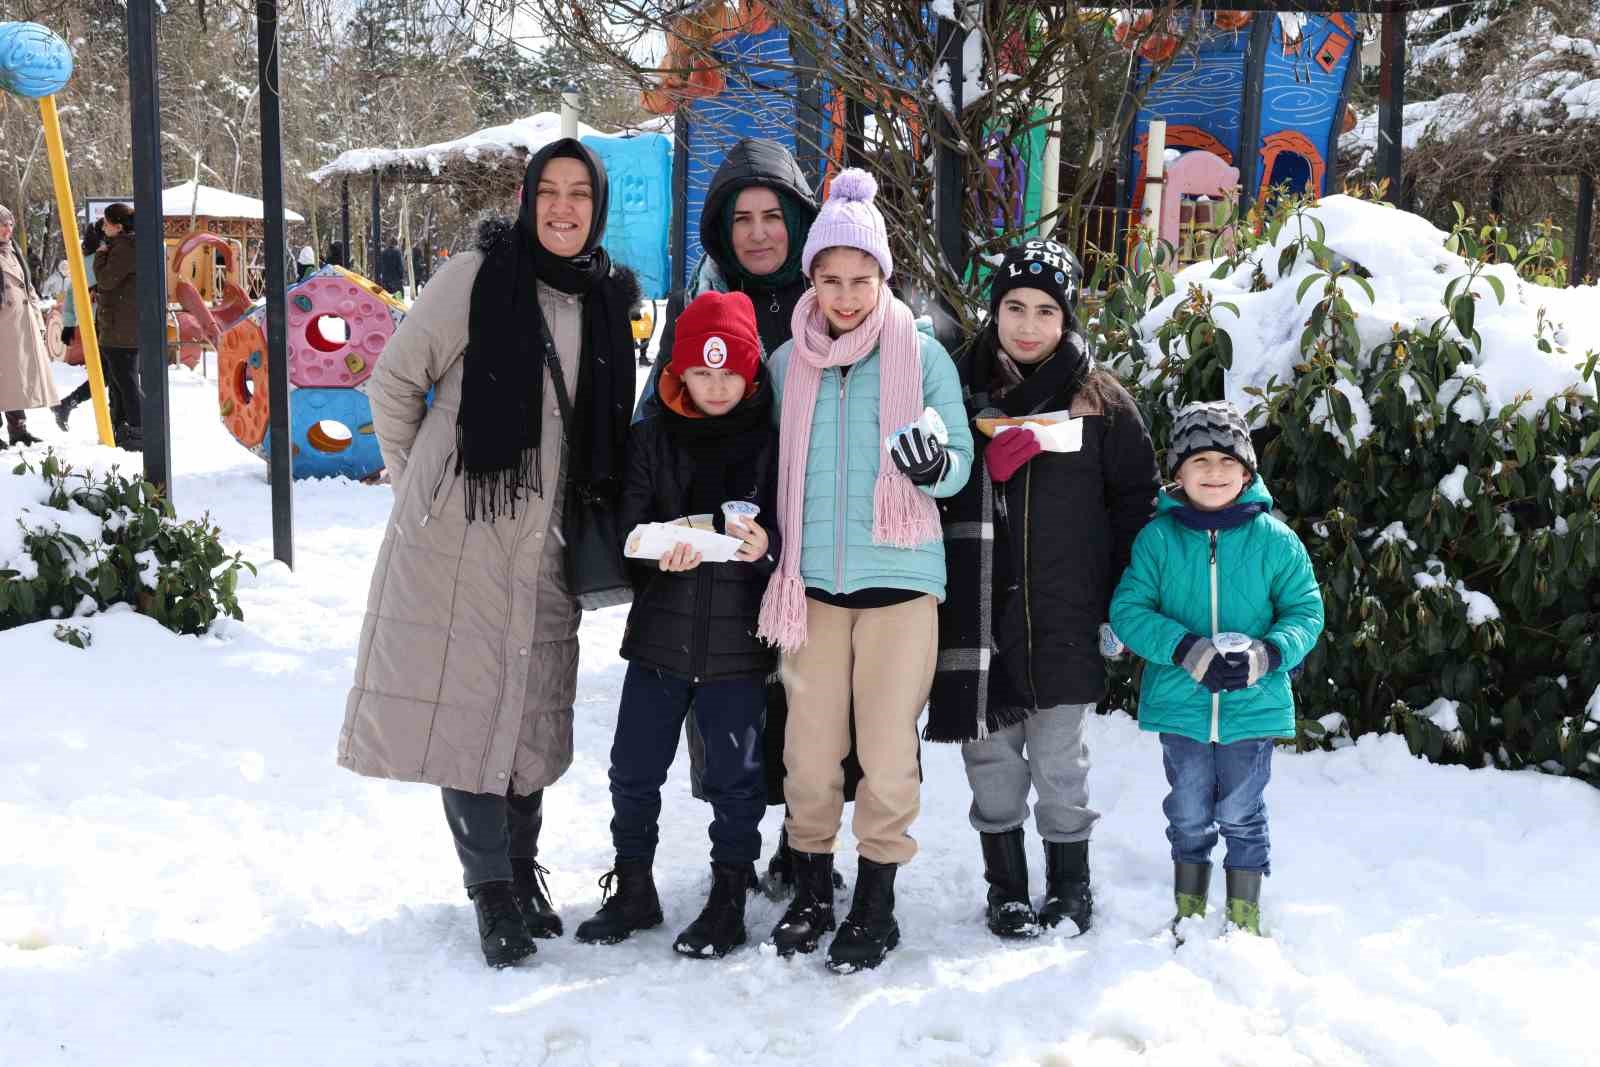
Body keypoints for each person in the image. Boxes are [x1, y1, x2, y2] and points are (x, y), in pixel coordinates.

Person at [339, 139, 639, 969]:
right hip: (460, 536)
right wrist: (425, 490)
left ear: (597, 207)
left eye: (580, 193)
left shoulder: (610, 298)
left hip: (549, 541)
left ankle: (518, 866)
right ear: (527, 197)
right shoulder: (476, 276)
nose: (563, 208)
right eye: (549, 190)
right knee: (470, 703)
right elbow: (394, 383)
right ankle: (491, 890)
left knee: (532, 701)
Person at [759, 169, 972, 973]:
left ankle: (877, 896)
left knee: (886, 750)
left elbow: (957, 461)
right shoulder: (786, 366)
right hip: (810, 587)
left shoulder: (922, 357)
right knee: (809, 754)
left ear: (885, 277)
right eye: (830, 278)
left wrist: (931, 465)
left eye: (862, 278)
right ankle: (814, 879)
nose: (846, 295)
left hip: (901, 582)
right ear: (810, 279)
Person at [925, 240, 1159, 940]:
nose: (1028, 325)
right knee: (991, 758)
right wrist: (976, 471)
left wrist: (1121, 601)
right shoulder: (958, 390)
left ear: (1069, 318)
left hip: (1065, 612)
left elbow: (1136, 506)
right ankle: (1006, 887)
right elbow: (918, 492)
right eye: (1014, 307)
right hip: (978, 614)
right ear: (994, 310)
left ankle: (1070, 884)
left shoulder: (1103, 400)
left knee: (1062, 760)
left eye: (1046, 311)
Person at [574, 290, 779, 959]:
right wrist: (658, 545)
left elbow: (786, 536)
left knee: (736, 777)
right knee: (632, 767)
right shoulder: (652, 436)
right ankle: (634, 884)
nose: (716, 386)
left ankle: (728, 896)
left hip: (738, 644)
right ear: (679, 374)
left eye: (729, 373)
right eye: (702, 372)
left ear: (749, 374)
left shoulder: (772, 441)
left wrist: (763, 548)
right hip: (660, 636)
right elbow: (630, 529)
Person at [1108, 401, 1324, 939]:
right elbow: (1129, 611)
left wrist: (1266, 655)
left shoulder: (1276, 541)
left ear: (1247, 473)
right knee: (1186, 808)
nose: (1214, 472)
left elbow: (1306, 611)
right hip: (1181, 705)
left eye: (1227, 462)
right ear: (1177, 473)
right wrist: (1185, 650)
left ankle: (1245, 914)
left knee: (1241, 809)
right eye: (1199, 460)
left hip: (1252, 708)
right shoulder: (1158, 540)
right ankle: (1189, 906)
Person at [0, 204, 60, 448]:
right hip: (4, 325)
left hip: (18, 325)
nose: (7, 229)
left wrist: (36, 316)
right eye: (3, 224)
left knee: (16, 378)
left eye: (10, 224)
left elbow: (28, 286)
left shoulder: (12, 250)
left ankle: (18, 429)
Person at [92, 204, 145, 450]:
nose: (103, 228)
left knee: (125, 381)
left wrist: (101, 253)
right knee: (119, 380)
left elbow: (106, 279)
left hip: (120, 328)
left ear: (118, 226)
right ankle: (124, 426)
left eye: (106, 223)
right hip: (122, 325)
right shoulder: (128, 245)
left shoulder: (124, 247)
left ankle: (138, 428)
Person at [50, 226, 102, 431]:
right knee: (110, 374)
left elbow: (72, 294)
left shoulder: (84, 263)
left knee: (110, 374)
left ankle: (68, 403)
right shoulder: (100, 261)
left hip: (93, 323)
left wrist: (69, 324)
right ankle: (68, 403)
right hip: (105, 322)